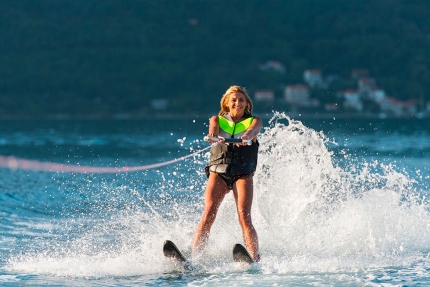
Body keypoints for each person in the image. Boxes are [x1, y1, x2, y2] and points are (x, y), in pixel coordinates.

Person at [192, 85, 262, 262]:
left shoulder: (254, 121)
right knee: (208, 212)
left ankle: (254, 258)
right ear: (226, 103)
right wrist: (213, 136)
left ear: (246, 104)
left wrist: (246, 137)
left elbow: (252, 131)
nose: (237, 103)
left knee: (244, 215)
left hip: (243, 173)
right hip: (219, 172)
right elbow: (213, 129)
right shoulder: (217, 119)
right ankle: (195, 258)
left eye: (241, 100)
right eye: (234, 100)